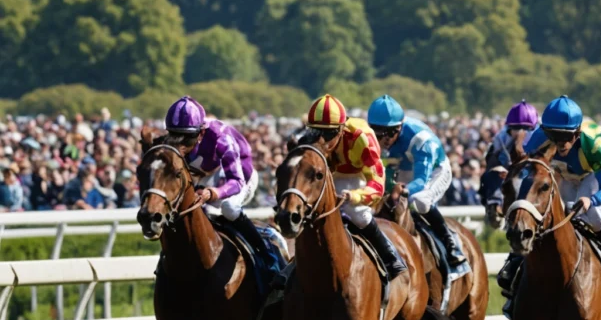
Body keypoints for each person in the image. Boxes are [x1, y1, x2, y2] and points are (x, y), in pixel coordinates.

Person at [503, 95, 601, 299]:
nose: (561, 143)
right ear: (546, 131)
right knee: (542, 213)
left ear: (578, 132)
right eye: (555, 136)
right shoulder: (539, 138)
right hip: (564, 175)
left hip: (593, 176)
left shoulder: (596, 144)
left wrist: (591, 200)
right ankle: (514, 261)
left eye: (567, 136)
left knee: (593, 215)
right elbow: (528, 169)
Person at [293, 94, 405, 279]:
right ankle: (293, 266)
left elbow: (377, 185)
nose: (322, 140)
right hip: (328, 175)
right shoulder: (309, 140)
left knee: (357, 213)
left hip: (356, 175)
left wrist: (354, 196)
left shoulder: (362, 138)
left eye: (329, 134)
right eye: (317, 132)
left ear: (341, 129)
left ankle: (390, 257)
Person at [162, 96, 274, 267]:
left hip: (241, 176)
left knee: (228, 208)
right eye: (175, 137)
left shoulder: (221, 137)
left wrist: (212, 192)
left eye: (186, 139)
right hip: (207, 173)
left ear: (200, 133)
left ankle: (267, 255)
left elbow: (236, 181)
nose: (180, 146)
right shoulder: (177, 137)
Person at [366, 95, 466, 267]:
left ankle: (450, 241)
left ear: (399, 127)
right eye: (377, 132)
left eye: (388, 133)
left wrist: (400, 190)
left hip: (435, 170)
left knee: (418, 200)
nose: (383, 140)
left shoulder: (421, 140)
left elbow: (420, 180)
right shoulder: (373, 138)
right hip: (405, 168)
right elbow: (384, 173)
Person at [479, 101, 538, 225]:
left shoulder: (539, 141)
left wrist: (514, 173)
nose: (520, 131)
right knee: (489, 176)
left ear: (533, 128)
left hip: (532, 178)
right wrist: (497, 168)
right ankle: (494, 205)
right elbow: (491, 161)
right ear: (509, 128)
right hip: (507, 179)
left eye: (526, 128)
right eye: (516, 128)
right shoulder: (501, 139)